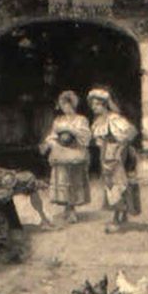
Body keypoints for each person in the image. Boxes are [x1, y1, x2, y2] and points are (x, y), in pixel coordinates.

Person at [88, 88, 140, 233]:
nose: (94, 107)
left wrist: (120, 149)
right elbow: (99, 141)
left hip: (115, 155)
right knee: (111, 184)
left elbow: (131, 132)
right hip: (105, 154)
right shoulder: (99, 121)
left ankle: (117, 217)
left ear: (104, 104)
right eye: (93, 104)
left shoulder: (114, 119)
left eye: (96, 104)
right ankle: (121, 214)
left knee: (116, 184)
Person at [40, 90, 91, 224]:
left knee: (73, 180)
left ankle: (73, 210)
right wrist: (50, 143)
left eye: (66, 105)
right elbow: (52, 135)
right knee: (62, 179)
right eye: (62, 105)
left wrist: (72, 132)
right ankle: (66, 208)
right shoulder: (59, 120)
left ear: (72, 104)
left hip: (75, 153)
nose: (64, 108)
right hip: (61, 153)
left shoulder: (81, 120)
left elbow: (86, 137)